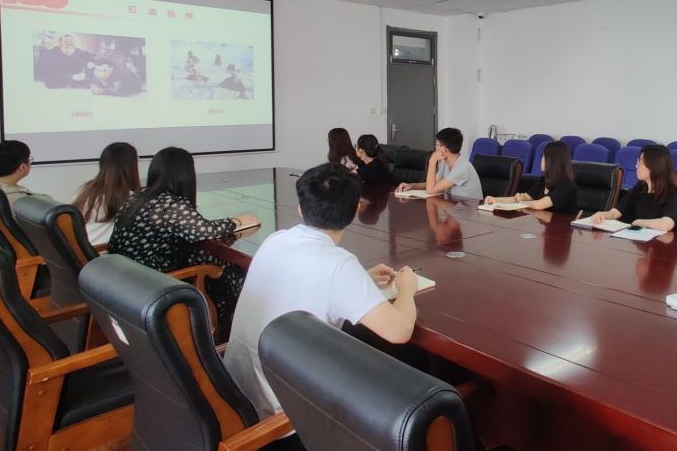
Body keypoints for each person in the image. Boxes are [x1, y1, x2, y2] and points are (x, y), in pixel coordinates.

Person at [223, 163, 418, 418]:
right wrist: (407, 288)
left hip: (234, 393)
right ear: (354, 211)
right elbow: (399, 331)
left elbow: (304, 280)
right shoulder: (339, 264)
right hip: (283, 414)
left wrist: (362, 278)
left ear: (300, 208)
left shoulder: (276, 240)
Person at [109, 147, 258, 337]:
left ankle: (228, 329)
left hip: (129, 279)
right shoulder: (170, 205)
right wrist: (236, 222)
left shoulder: (138, 196)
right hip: (156, 283)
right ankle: (236, 331)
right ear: (185, 175)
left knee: (210, 260)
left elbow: (194, 229)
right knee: (228, 272)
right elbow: (205, 230)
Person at [589, 144, 677, 231]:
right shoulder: (640, 188)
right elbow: (615, 213)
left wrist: (639, 222)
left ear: (654, 167)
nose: (636, 166)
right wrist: (603, 214)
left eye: (640, 163)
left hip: (664, 241)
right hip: (641, 238)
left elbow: (667, 224)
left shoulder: (673, 192)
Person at [484, 140, 578, 215]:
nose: (541, 159)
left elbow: (539, 205)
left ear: (553, 160)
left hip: (561, 228)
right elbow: (525, 197)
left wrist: (519, 202)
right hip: (547, 225)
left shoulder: (567, 185)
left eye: (544, 156)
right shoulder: (544, 180)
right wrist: (495, 200)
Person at [72, 142, 140, 245]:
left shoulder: (83, 190)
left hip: (79, 250)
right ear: (131, 167)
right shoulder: (129, 198)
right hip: (101, 252)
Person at [396, 127, 483, 201]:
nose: (435, 147)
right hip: (455, 207)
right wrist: (412, 186)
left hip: (469, 211)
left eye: (437, 144)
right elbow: (434, 184)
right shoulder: (445, 163)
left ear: (443, 149)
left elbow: (430, 190)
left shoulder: (463, 167)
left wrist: (432, 160)